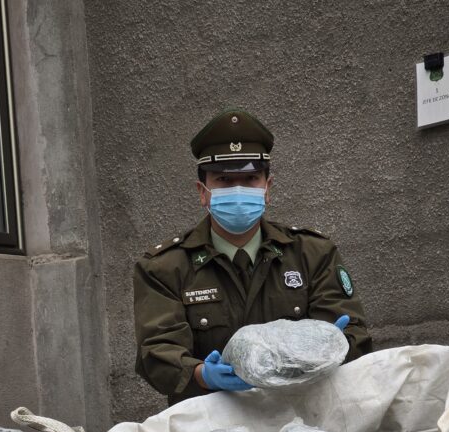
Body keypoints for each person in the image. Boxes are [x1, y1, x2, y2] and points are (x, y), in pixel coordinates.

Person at [134, 109, 373, 402]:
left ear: (267, 188)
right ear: (203, 192)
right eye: (224, 179)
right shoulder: (165, 268)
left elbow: (355, 335)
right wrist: (200, 374)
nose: (238, 190)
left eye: (250, 179)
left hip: (301, 413)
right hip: (211, 419)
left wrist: (333, 347)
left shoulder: (312, 254)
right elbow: (157, 352)